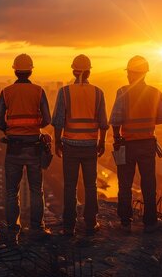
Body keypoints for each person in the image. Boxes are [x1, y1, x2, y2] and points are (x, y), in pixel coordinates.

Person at [0, 54, 52, 244]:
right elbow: (47, 119)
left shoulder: (6, 92)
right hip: (34, 146)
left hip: (13, 148)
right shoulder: (39, 91)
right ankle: (37, 228)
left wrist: (9, 130)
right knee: (36, 190)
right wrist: (35, 127)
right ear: (31, 70)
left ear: (15, 70)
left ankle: (13, 232)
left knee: (12, 191)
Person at [110, 55, 162, 233]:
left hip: (127, 144)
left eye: (129, 73)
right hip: (147, 144)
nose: (128, 76)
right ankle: (150, 220)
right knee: (149, 183)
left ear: (132, 74)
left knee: (125, 183)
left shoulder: (122, 92)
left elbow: (115, 119)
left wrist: (116, 137)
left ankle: (125, 221)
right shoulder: (155, 93)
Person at [52, 55, 108, 237]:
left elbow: (58, 121)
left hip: (70, 145)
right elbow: (103, 122)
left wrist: (57, 142)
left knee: (70, 185)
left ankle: (69, 226)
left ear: (73, 71)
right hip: (90, 146)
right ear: (89, 71)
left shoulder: (65, 92)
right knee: (91, 185)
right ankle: (91, 223)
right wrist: (102, 142)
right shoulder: (98, 93)